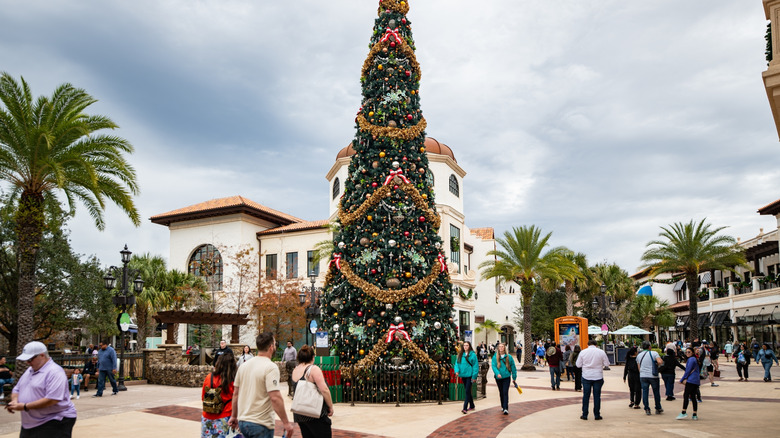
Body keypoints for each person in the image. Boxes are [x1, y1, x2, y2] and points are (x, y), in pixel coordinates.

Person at [229, 332, 294, 438]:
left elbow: (235, 394)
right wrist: (286, 423)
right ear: (271, 347)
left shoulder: (243, 366)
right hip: (261, 423)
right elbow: (275, 397)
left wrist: (234, 416)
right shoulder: (270, 367)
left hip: (243, 421)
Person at [6, 341, 77, 436]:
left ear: (42, 355)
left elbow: (52, 399)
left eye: (30, 359)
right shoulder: (30, 370)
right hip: (31, 423)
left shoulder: (55, 372)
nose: (28, 362)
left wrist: (25, 406)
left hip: (54, 419)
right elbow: (17, 389)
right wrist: (14, 401)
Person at [291, 345, 334, 438]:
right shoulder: (313, 369)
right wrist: (330, 406)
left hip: (300, 414)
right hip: (314, 413)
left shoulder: (295, 370)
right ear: (313, 357)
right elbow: (324, 390)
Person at [201, 349, 237, 438]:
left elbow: (203, 396)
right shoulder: (233, 380)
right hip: (225, 416)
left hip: (207, 416)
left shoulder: (209, 377)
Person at [576, 339, 610, 420]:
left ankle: (585, 414)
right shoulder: (601, 352)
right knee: (597, 396)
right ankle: (597, 415)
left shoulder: (583, 352)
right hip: (598, 376)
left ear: (588, 344)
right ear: (596, 345)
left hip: (586, 376)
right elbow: (607, 364)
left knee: (586, 396)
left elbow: (578, 365)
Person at [637, 341, 664, 416]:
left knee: (645, 392)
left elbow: (639, 367)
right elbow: (660, 361)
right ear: (649, 347)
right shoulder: (654, 353)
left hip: (643, 376)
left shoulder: (639, 355)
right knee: (656, 392)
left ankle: (647, 408)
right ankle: (658, 407)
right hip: (653, 376)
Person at [490, 342, 517, 415]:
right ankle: (502, 405)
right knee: (501, 392)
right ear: (498, 348)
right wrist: (497, 373)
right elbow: (493, 366)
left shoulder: (509, 357)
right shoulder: (495, 357)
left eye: (502, 347)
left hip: (506, 377)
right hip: (498, 377)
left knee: (505, 392)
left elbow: (513, 367)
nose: (501, 348)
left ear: (504, 348)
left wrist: (514, 377)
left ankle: (506, 408)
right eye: (500, 347)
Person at [454, 341, 478, 414]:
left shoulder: (473, 355)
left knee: (467, 391)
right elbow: (457, 364)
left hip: (469, 375)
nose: (465, 347)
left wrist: (474, 376)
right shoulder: (460, 355)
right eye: (464, 345)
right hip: (463, 375)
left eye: (467, 345)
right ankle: (472, 405)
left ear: (469, 346)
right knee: (467, 390)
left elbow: (475, 366)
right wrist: (457, 371)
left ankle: (465, 408)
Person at [676, 347, 700, 421]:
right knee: (693, 396)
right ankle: (694, 414)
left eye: (689, 352)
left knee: (686, 395)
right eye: (686, 352)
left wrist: (682, 379)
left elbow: (688, 371)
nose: (687, 353)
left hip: (691, 380)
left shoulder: (691, 359)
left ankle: (684, 411)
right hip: (696, 380)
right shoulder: (694, 359)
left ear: (692, 352)